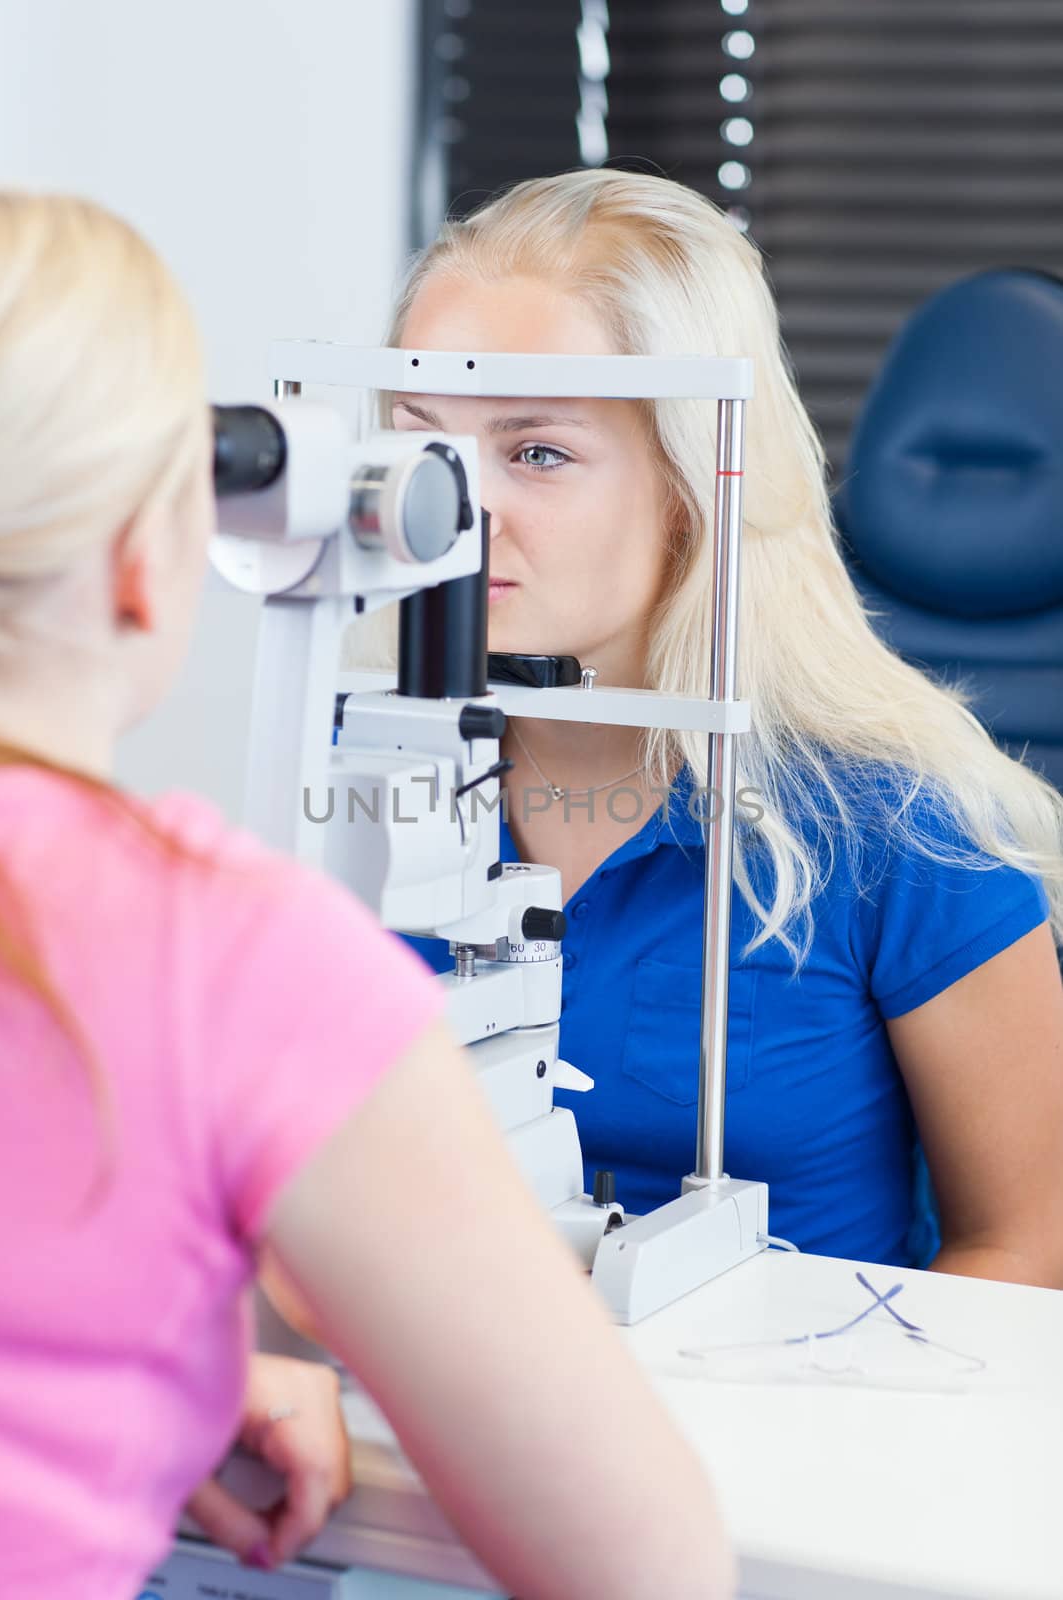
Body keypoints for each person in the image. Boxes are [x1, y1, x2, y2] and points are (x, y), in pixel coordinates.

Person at [0, 191, 736, 1600]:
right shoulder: (218, 950)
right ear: (152, 564)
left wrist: (164, 1366)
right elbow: (649, 1566)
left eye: (537, 450)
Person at [377, 168, 1063, 1285]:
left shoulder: (901, 828)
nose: (453, 507)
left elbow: (1028, 1245)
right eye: (420, 440)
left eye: (536, 452)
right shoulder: (368, 785)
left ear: (689, 488)